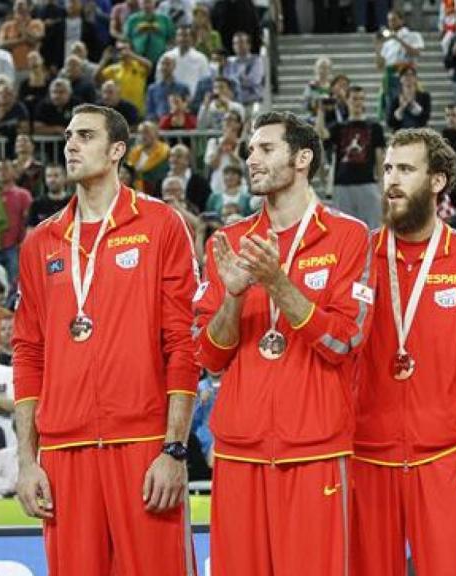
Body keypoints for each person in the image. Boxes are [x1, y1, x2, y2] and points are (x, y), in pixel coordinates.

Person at [12, 104, 199, 575]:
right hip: (64, 454)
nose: (71, 145)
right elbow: (28, 353)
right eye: (70, 136)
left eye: (86, 136)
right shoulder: (42, 241)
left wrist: (174, 450)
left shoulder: (160, 226)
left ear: (117, 150)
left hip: (142, 444)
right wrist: (26, 461)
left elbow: (183, 343)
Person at [193, 111, 374, 574]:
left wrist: (277, 283)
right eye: (250, 149)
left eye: (266, 148)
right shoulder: (231, 241)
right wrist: (233, 297)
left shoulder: (349, 236)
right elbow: (210, 356)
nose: (251, 158)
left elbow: (344, 341)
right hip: (238, 449)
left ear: (303, 158)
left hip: (315, 447)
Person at [353, 127, 456, 574]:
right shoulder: (359, 255)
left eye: (405, 169)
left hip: (444, 456)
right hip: (369, 453)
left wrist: (455, 429)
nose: (392, 181)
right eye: (387, 169)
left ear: (438, 181)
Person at [317, 85, 387, 230]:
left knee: (373, 229)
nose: (358, 102)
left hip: (367, 182)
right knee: (343, 230)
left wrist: (381, 186)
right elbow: (320, 134)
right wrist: (321, 111)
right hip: (342, 184)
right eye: (354, 99)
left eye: (361, 99)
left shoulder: (375, 127)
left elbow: (380, 158)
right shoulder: (339, 127)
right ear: (347, 101)